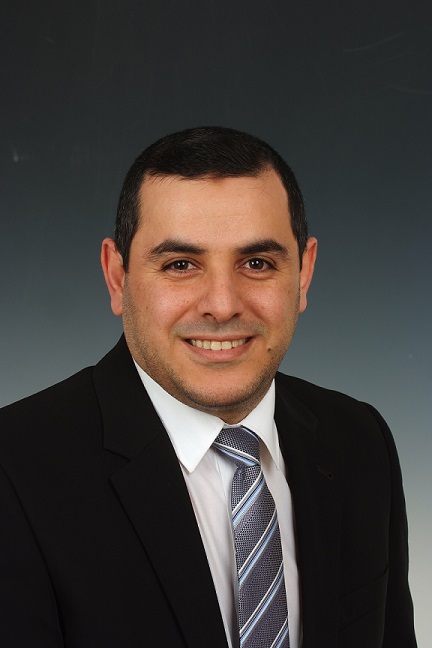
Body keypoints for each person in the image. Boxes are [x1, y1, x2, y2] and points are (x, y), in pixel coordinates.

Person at [0, 126, 416, 647]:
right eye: (181, 265)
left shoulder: (360, 440)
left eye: (257, 263)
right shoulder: (14, 471)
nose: (222, 305)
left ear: (304, 274)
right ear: (117, 277)